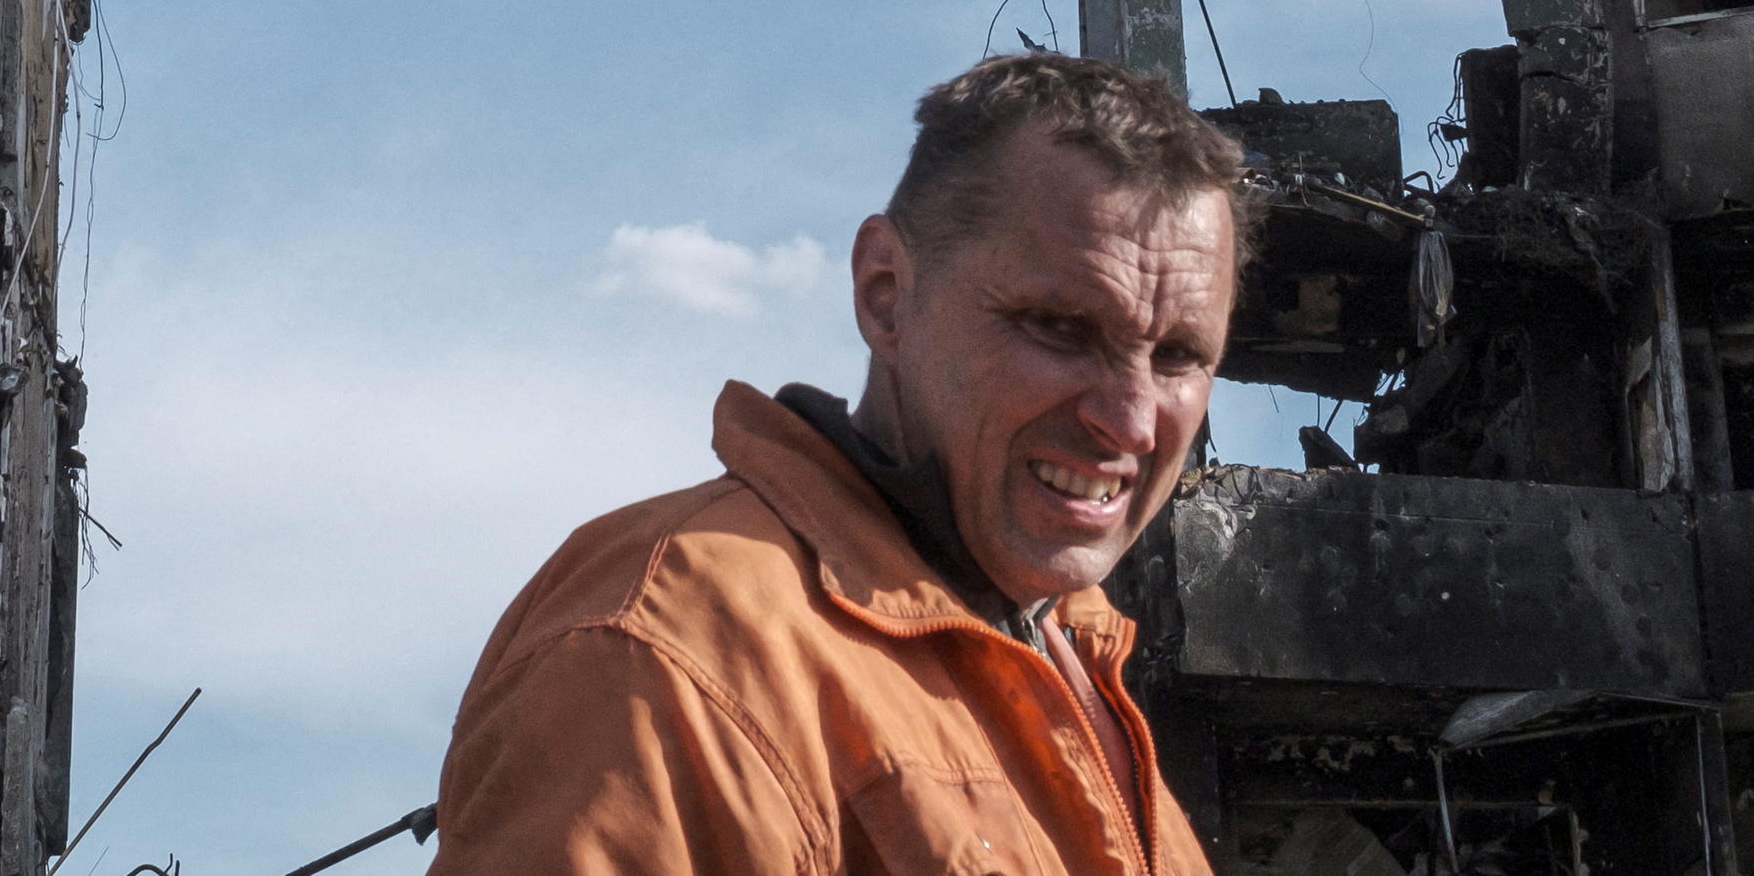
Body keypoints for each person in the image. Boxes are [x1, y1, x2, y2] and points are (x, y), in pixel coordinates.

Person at [433, 53, 1244, 876]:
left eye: (1179, 355)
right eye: (1061, 328)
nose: (1132, 420)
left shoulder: (1077, 660)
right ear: (885, 291)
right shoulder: (671, 649)